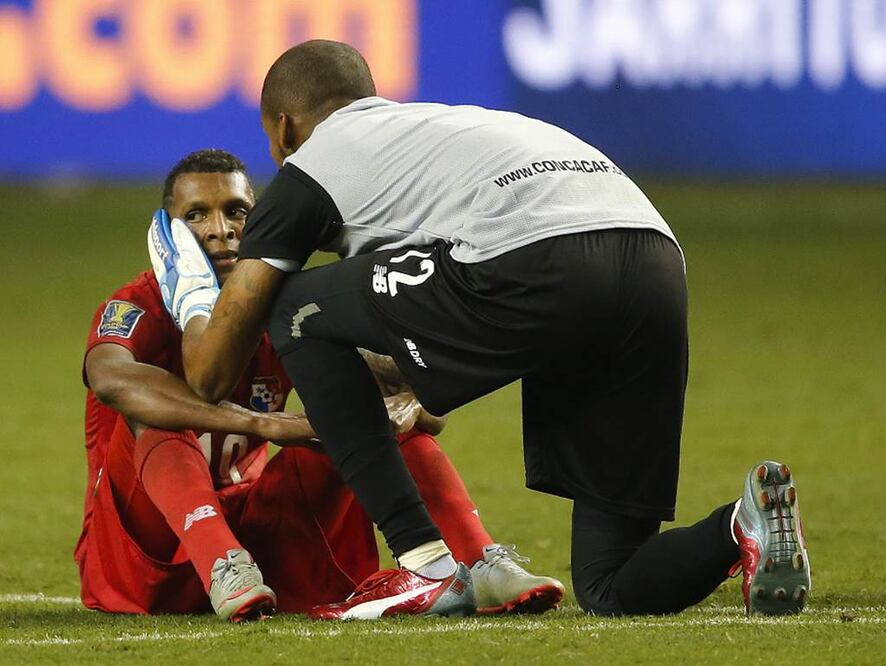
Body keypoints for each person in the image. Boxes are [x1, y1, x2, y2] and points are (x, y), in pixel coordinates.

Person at [153, 41, 811, 619]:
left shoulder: (312, 168)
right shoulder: (437, 133)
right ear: (369, 97)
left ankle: (425, 564)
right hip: (653, 263)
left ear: (284, 127)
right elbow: (419, 320)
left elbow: (211, 373)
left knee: (294, 306)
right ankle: (741, 525)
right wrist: (383, 381)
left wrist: (187, 285)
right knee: (611, 582)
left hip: (533, 259)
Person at [78, 149, 564, 622]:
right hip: (144, 550)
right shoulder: (138, 303)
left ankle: (482, 560)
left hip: (256, 542)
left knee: (364, 417)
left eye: (236, 212)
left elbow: (423, 405)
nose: (220, 229)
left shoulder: (277, 306)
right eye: (197, 215)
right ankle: (221, 562)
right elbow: (111, 379)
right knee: (155, 411)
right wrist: (262, 424)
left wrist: (405, 405)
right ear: (167, 232)